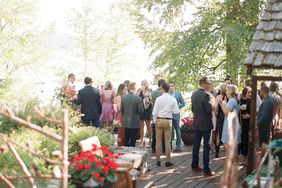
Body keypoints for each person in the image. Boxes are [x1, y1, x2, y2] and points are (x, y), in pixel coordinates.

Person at [191, 77, 214, 176]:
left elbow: (192, 109)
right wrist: (213, 105)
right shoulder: (206, 95)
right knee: (206, 146)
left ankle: (194, 165)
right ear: (204, 84)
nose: (210, 85)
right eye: (209, 83)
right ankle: (206, 169)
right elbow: (209, 110)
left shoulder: (194, 94)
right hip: (206, 124)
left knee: (196, 145)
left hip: (197, 123)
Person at [152, 83, 180, 167]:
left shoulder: (158, 99)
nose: (160, 90)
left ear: (163, 89)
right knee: (168, 142)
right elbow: (176, 111)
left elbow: (154, 112)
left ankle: (158, 160)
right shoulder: (173, 99)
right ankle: (168, 161)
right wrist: (170, 111)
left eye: (160, 89)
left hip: (159, 120)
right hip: (168, 121)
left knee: (158, 141)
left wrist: (154, 121)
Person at [121, 82, 144, 147]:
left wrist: (125, 116)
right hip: (135, 122)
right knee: (133, 140)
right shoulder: (138, 98)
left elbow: (122, 110)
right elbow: (141, 110)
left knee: (126, 138)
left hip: (126, 121)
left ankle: (125, 153)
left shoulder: (123, 98)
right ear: (135, 88)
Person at [168, 81, 185, 152]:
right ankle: (169, 146)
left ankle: (178, 146)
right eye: (169, 86)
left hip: (176, 115)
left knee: (177, 130)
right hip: (168, 115)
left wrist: (177, 107)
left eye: (172, 86)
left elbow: (183, 103)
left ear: (174, 87)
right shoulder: (166, 94)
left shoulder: (178, 94)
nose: (170, 87)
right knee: (169, 131)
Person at [151, 79, 166, 153]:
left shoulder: (153, 93)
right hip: (163, 114)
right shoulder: (164, 93)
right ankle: (164, 148)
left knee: (155, 133)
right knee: (164, 133)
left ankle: (153, 147)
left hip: (155, 114)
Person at [137, 80, 153, 147]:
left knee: (148, 125)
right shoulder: (139, 91)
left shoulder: (149, 91)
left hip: (148, 110)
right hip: (141, 110)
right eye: (142, 84)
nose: (142, 85)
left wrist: (148, 95)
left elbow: (151, 101)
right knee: (141, 126)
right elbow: (137, 98)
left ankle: (150, 140)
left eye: (144, 84)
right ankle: (142, 141)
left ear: (146, 85)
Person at [214, 83, 228, 158]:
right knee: (220, 134)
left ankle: (217, 151)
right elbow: (215, 107)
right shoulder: (225, 97)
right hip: (224, 117)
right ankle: (220, 151)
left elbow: (215, 107)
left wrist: (216, 112)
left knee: (219, 133)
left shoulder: (220, 97)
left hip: (222, 116)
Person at [239, 86, 251, 165]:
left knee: (246, 140)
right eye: (249, 92)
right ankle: (242, 157)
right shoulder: (239, 100)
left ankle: (245, 158)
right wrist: (239, 108)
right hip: (240, 123)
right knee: (241, 140)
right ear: (244, 92)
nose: (250, 94)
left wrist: (249, 116)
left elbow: (255, 112)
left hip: (248, 123)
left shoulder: (251, 101)